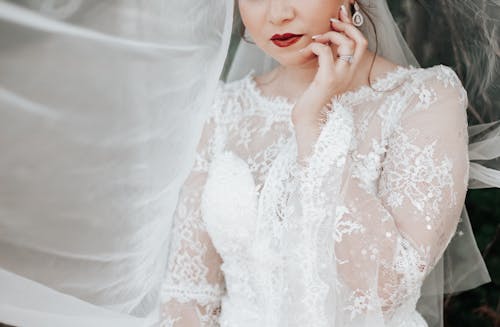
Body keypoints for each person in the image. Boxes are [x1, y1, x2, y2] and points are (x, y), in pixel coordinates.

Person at [159, 1, 496, 326]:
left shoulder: (423, 99)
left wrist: (315, 128)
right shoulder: (222, 111)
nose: (278, 14)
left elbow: (386, 289)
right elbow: (188, 295)